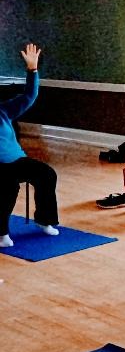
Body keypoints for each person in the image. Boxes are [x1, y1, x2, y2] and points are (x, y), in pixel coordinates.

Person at [0, 43, 59, 245]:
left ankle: (45, 220)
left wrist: (32, 70)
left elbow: (29, 96)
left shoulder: (3, 110)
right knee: (8, 187)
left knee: (47, 174)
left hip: (16, 161)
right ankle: (1, 234)